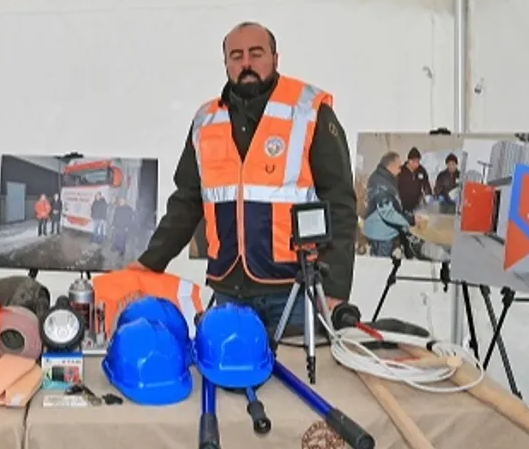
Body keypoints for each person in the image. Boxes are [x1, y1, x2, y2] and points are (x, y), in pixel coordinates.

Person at [133, 21, 357, 336]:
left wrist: (334, 288)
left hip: (293, 290)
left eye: (256, 53)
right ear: (226, 63)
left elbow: (340, 202)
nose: (246, 63)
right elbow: (186, 202)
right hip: (228, 290)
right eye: (236, 56)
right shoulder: (206, 120)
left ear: (275, 58)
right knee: (227, 368)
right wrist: (149, 262)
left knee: (293, 368)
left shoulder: (309, 110)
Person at [362, 152, 422, 257]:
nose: (400, 171)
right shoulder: (380, 184)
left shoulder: (385, 178)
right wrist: (411, 220)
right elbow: (387, 212)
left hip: (382, 231)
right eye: (398, 167)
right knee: (381, 264)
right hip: (380, 234)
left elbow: (393, 204)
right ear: (390, 166)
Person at [397, 147, 432, 213]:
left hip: (417, 204)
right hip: (403, 204)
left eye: (418, 162)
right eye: (414, 162)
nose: (416, 164)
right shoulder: (401, 171)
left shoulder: (421, 170)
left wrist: (428, 195)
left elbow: (426, 184)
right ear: (409, 160)